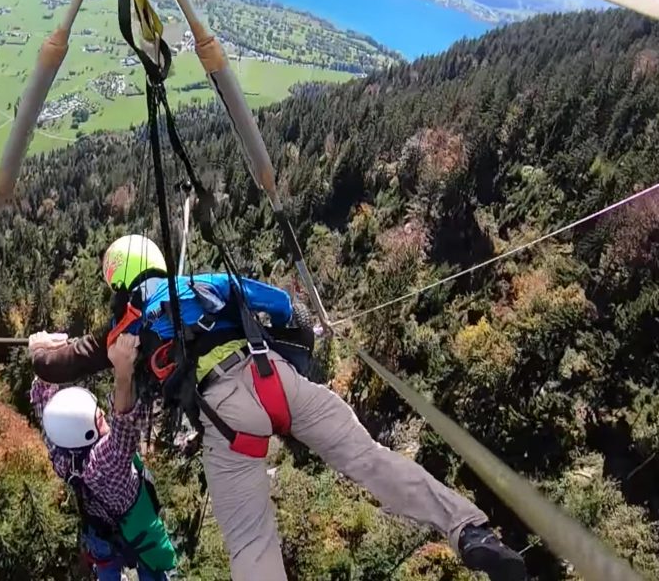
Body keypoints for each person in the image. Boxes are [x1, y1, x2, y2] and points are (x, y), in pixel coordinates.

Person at [30, 234, 528, 581]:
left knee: (252, 540)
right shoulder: (206, 284)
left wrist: (38, 348)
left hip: (225, 416)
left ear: (117, 281)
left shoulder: (123, 329)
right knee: (371, 458)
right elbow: (286, 308)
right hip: (276, 378)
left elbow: (57, 366)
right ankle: (469, 530)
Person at [29, 331, 177, 581]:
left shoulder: (61, 453)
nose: (104, 417)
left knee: (107, 571)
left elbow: (46, 406)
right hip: (138, 531)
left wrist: (40, 354)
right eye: (99, 417)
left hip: (99, 535)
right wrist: (123, 368)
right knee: (153, 568)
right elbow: (125, 419)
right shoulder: (106, 462)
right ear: (89, 431)